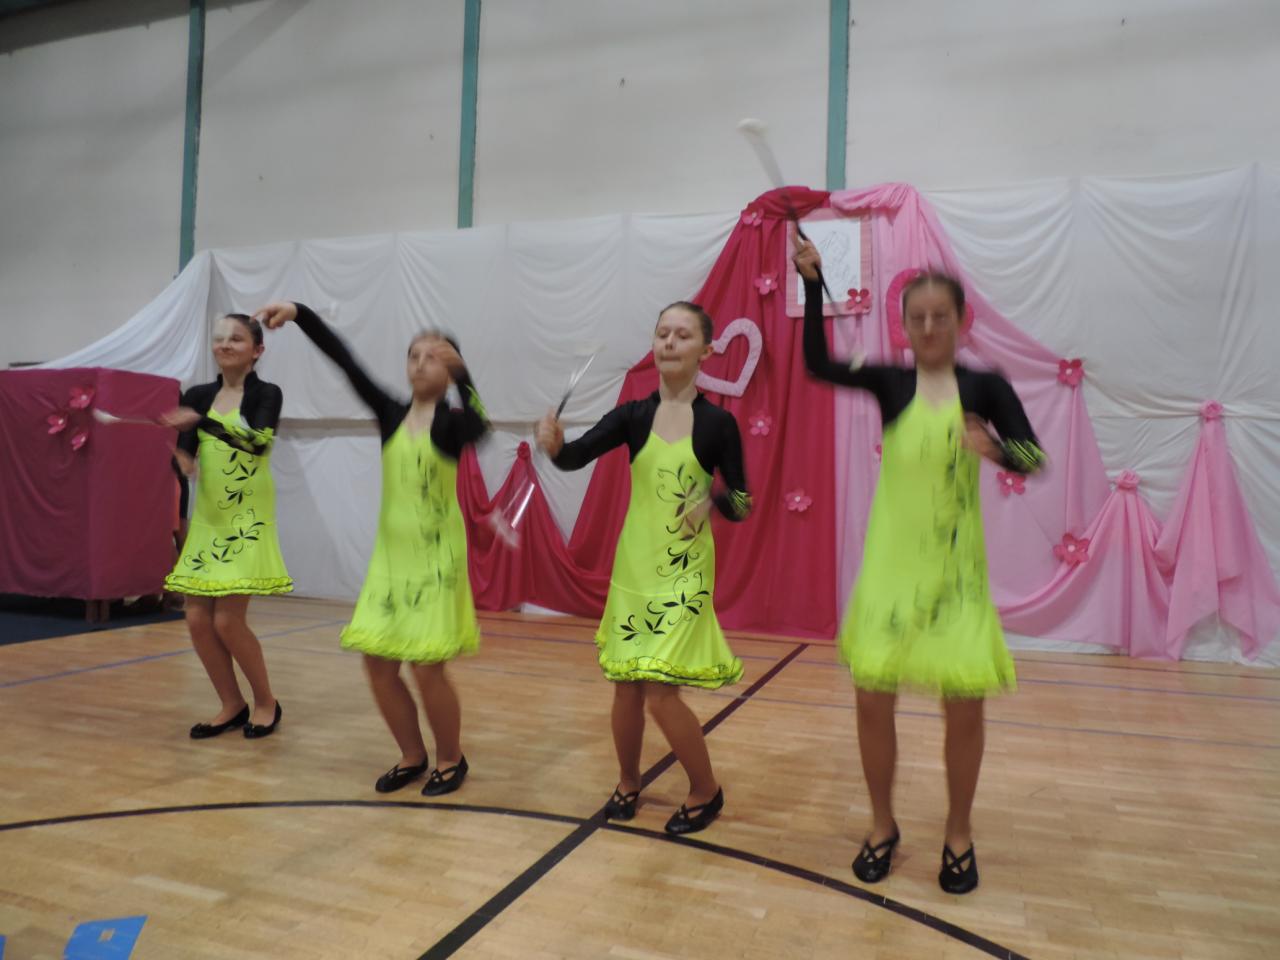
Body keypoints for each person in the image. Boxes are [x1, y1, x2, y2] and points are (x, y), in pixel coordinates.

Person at [795, 240, 1045, 894]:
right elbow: (817, 362)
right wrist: (814, 285)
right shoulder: (891, 382)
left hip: (957, 582)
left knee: (964, 708)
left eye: (941, 316)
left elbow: (1033, 457)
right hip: (890, 573)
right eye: (918, 317)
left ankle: (959, 832)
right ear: (903, 326)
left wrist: (994, 447)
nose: (929, 327)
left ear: (961, 321)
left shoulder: (986, 387)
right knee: (871, 701)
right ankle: (882, 825)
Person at [535, 301, 751, 835]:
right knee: (626, 686)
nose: (669, 342)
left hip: (685, 574)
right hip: (635, 570)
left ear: (706, 350)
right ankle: (628, 782)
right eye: (662, 333)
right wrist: (555, 447)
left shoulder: (719, 423)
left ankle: (706, 790)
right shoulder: (632, 416)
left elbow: (743, 502)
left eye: (682, 335)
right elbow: (574, 457)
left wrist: (710, 502)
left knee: (658, 691)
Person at [256, 300, 488, 796]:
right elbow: (344, 360)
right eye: (414, 355)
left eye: (434, 357)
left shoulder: (453, 424)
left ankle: (451, 758)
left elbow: (481, 426)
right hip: (390, 563)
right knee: (378, 665)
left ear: (450, 370)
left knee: (426, 667)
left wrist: (465, 377)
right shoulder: (390, 412)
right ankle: (412, 755)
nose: (421, 363)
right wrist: (299, 313)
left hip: (435, 563)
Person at [162, 313, 292, 740]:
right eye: (219, 338)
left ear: (257, 350)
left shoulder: (267, 393)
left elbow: (257, 444)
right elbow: (184, 454)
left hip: (246, 518)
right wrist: (182, 459)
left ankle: (266, 702)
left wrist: (201, 422)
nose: (225, 344)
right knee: (197, 619)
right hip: (210, 518)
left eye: (236, 338)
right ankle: (231, 704)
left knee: (228, 622)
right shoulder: (198, 394)